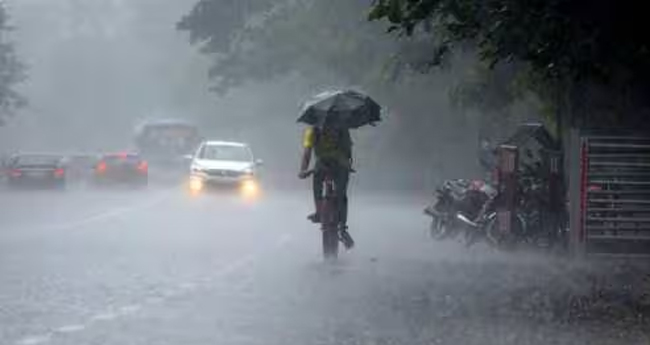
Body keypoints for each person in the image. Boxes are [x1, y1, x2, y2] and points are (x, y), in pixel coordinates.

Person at [298, 118, 355, 249]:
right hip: (339, 165)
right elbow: (348, 151)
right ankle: (342, 228)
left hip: (323, 165)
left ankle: (319, 212)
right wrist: (348, 165)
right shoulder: (342, 128)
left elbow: (307, 152)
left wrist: (303, 170)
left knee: (318, 184)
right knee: (341, 194)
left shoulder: (312, 130)